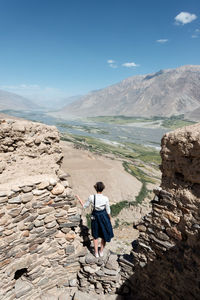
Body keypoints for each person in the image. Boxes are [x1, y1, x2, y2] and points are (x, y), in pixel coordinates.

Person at [76, 181, 114, 258]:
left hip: (95, 217)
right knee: (104, 234)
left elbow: (84, 206)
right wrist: (110, 218)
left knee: (95, 235)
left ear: (95, 188)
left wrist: (79, 198)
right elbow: (108, 210)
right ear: (103, 189)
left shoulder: (91, 197)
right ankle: (101, 251)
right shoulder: (105, 198)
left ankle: (96, 252)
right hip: (104, 217)